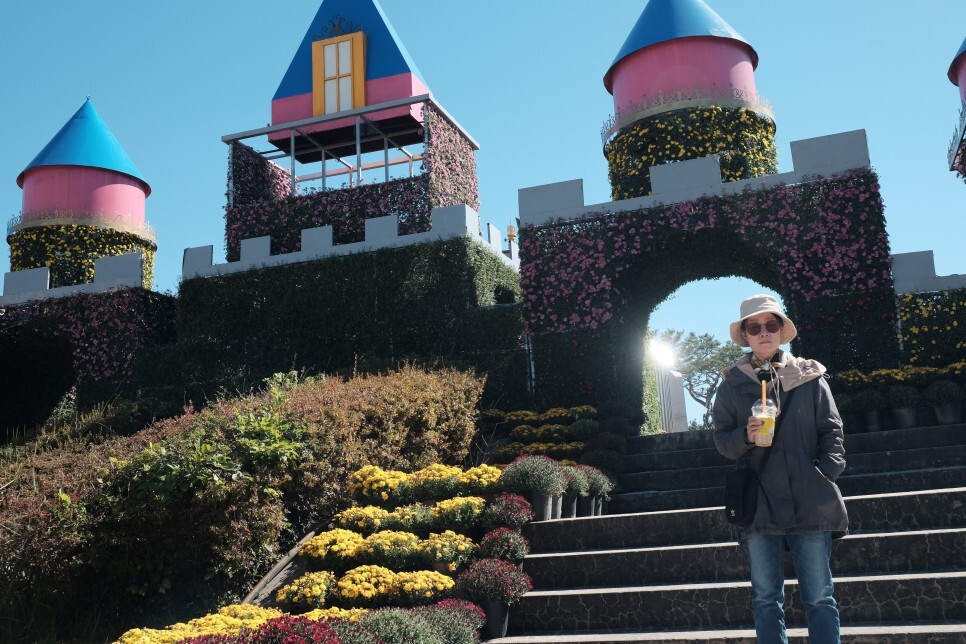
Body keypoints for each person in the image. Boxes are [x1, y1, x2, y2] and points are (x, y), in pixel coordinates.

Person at [712, 294, 848, 644]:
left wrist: (825, 474)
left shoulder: (808, 375)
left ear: (781, 330)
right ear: (745, 334)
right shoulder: (732, 384)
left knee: (819, 595)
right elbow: (722, 441)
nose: (764, 332)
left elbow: (831, 430)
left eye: (771, 324)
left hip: (810, 496)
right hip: (758, 502)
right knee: (765, 598)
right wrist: (745, 435)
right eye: (754, 327)